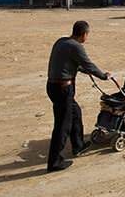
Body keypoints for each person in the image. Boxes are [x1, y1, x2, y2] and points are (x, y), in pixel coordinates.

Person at [46, 20, 110, 172]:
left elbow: (69, 63)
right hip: (63, 89)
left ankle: (78, 145)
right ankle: (54, 162)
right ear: (84, 34)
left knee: (75, 113)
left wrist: (81, 70)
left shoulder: (62, 41)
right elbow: (89, 65)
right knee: (63, 125)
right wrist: (103, 76)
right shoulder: (76, 46)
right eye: (87, 35)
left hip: (53, 86)